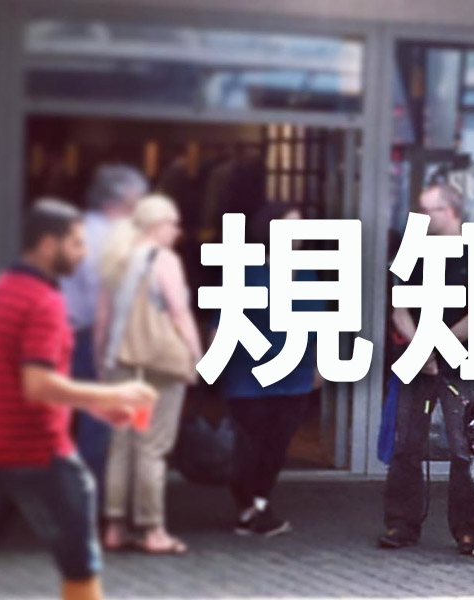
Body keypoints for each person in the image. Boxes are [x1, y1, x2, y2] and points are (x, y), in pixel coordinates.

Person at [0, 199, 156, 600]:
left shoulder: (2, 290)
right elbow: (38, 385)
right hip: (39, 450)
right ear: (48, 245)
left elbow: (14, 377)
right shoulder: (43, 301)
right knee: (80, 563)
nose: (84, 253)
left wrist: (96, 406)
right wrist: (112, 392)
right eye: (76, 243)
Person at [377, 184, 474, 554]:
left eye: (428, 210)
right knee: (406, 444)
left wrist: (435, 346)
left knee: (464, 447)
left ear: (451, 211)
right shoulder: (412, 249)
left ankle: (467, 528)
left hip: (459, 361)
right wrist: (420, 347)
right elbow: (398, 309)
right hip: (416, 359)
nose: (420, 218)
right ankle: (401, 524)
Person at [96, 195, 202, 555]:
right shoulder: (164, 260)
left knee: (121, 444)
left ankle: (114, 527)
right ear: (157, 225)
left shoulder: (115, 258)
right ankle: (152, 529)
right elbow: (179, 313)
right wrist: (195, 355)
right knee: (152, 446)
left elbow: (103, 319)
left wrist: (103, 361)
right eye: (173, 223)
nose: (177, 231)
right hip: (158, 367)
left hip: (120, 365)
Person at [216, 202, 323, 537]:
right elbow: (222, 324)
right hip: (250, 376)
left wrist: (320, 364)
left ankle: (258, 506)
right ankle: (247, 509)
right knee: (250, 447)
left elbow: (318, 322)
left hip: (296, 377)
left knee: (276, 448)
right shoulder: (245, 270)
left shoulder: (307, 272)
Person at [60, 164, 148, 504]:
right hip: (92, 338)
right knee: (100, 427)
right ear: (121, 202)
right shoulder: (110, 239)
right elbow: (104, 307)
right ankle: (88, 505)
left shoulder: (78, 227)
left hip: (68, 333)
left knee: (72, 423)